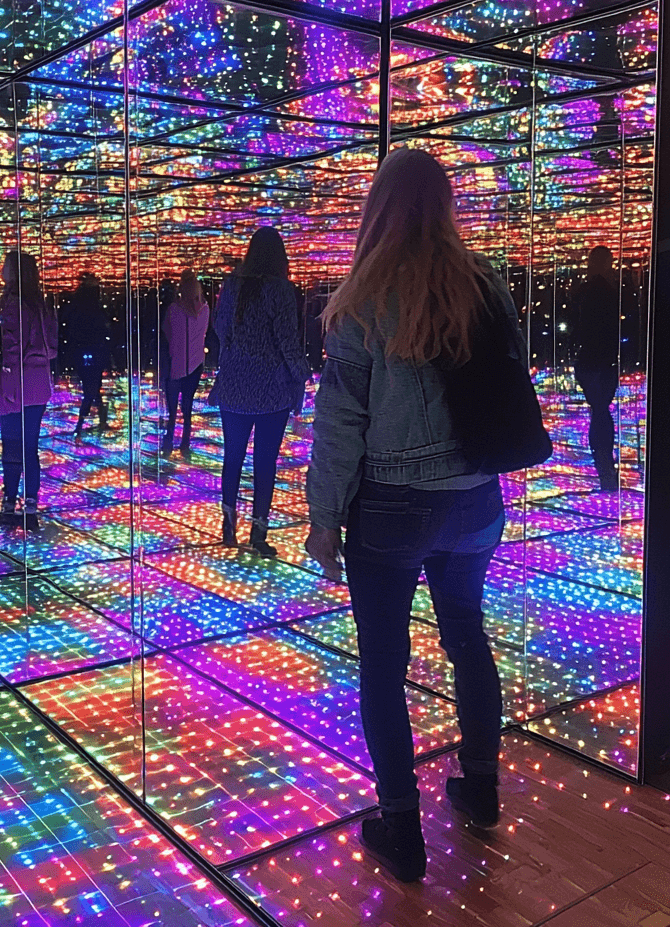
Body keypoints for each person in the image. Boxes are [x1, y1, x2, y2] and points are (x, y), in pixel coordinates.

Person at [305, 148, 518, 882]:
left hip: (393, 508)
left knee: (384, 666)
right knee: (468, 638)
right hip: (476, 499)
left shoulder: (364, 297)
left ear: (380, 208)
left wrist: (324, 518)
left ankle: (402, 828)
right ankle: (481, 788)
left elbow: (341, 424)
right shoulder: (486, 284)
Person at [210, 227, 306, 558]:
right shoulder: (280, 290)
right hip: (270, 390)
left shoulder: (232, 287)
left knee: (233, 457)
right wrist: (300, 376)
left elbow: (220, 329)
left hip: (234, 385)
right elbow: (287, 339)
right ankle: (259, 533)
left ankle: (228, 525)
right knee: (265, 463)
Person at [0, 251, 58, 531]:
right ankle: (30, 506)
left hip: (17, 383)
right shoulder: (40, 304)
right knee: (30, 447)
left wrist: (5, 391)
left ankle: (9, 503)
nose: (1, 270)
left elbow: (12, 349)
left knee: (12, 446)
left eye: (5, 265)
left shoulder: (13, 304)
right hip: (39, 383)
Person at [571, 245, 620, 490]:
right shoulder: (610, 292)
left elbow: (576, 326)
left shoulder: (584, 291)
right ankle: (605, 466)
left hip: (588, 360)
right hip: (603, 361)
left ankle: (603, 466)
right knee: (601, 411)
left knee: (599, 410)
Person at [160, 270, 209, 457]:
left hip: (176, 364)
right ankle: (185, 443)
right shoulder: (204, 310)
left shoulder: (174, 310)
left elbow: (167, 331)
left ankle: (168, 442)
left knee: (172, 409)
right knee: (187, 405)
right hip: (196, 364)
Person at [67, 272, 110, 438]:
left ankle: (87, 422)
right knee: (92, 389)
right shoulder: (95, 310)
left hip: (83, 352)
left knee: (91, 389)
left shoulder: (77, 308)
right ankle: (89, 422)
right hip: (94, 352)